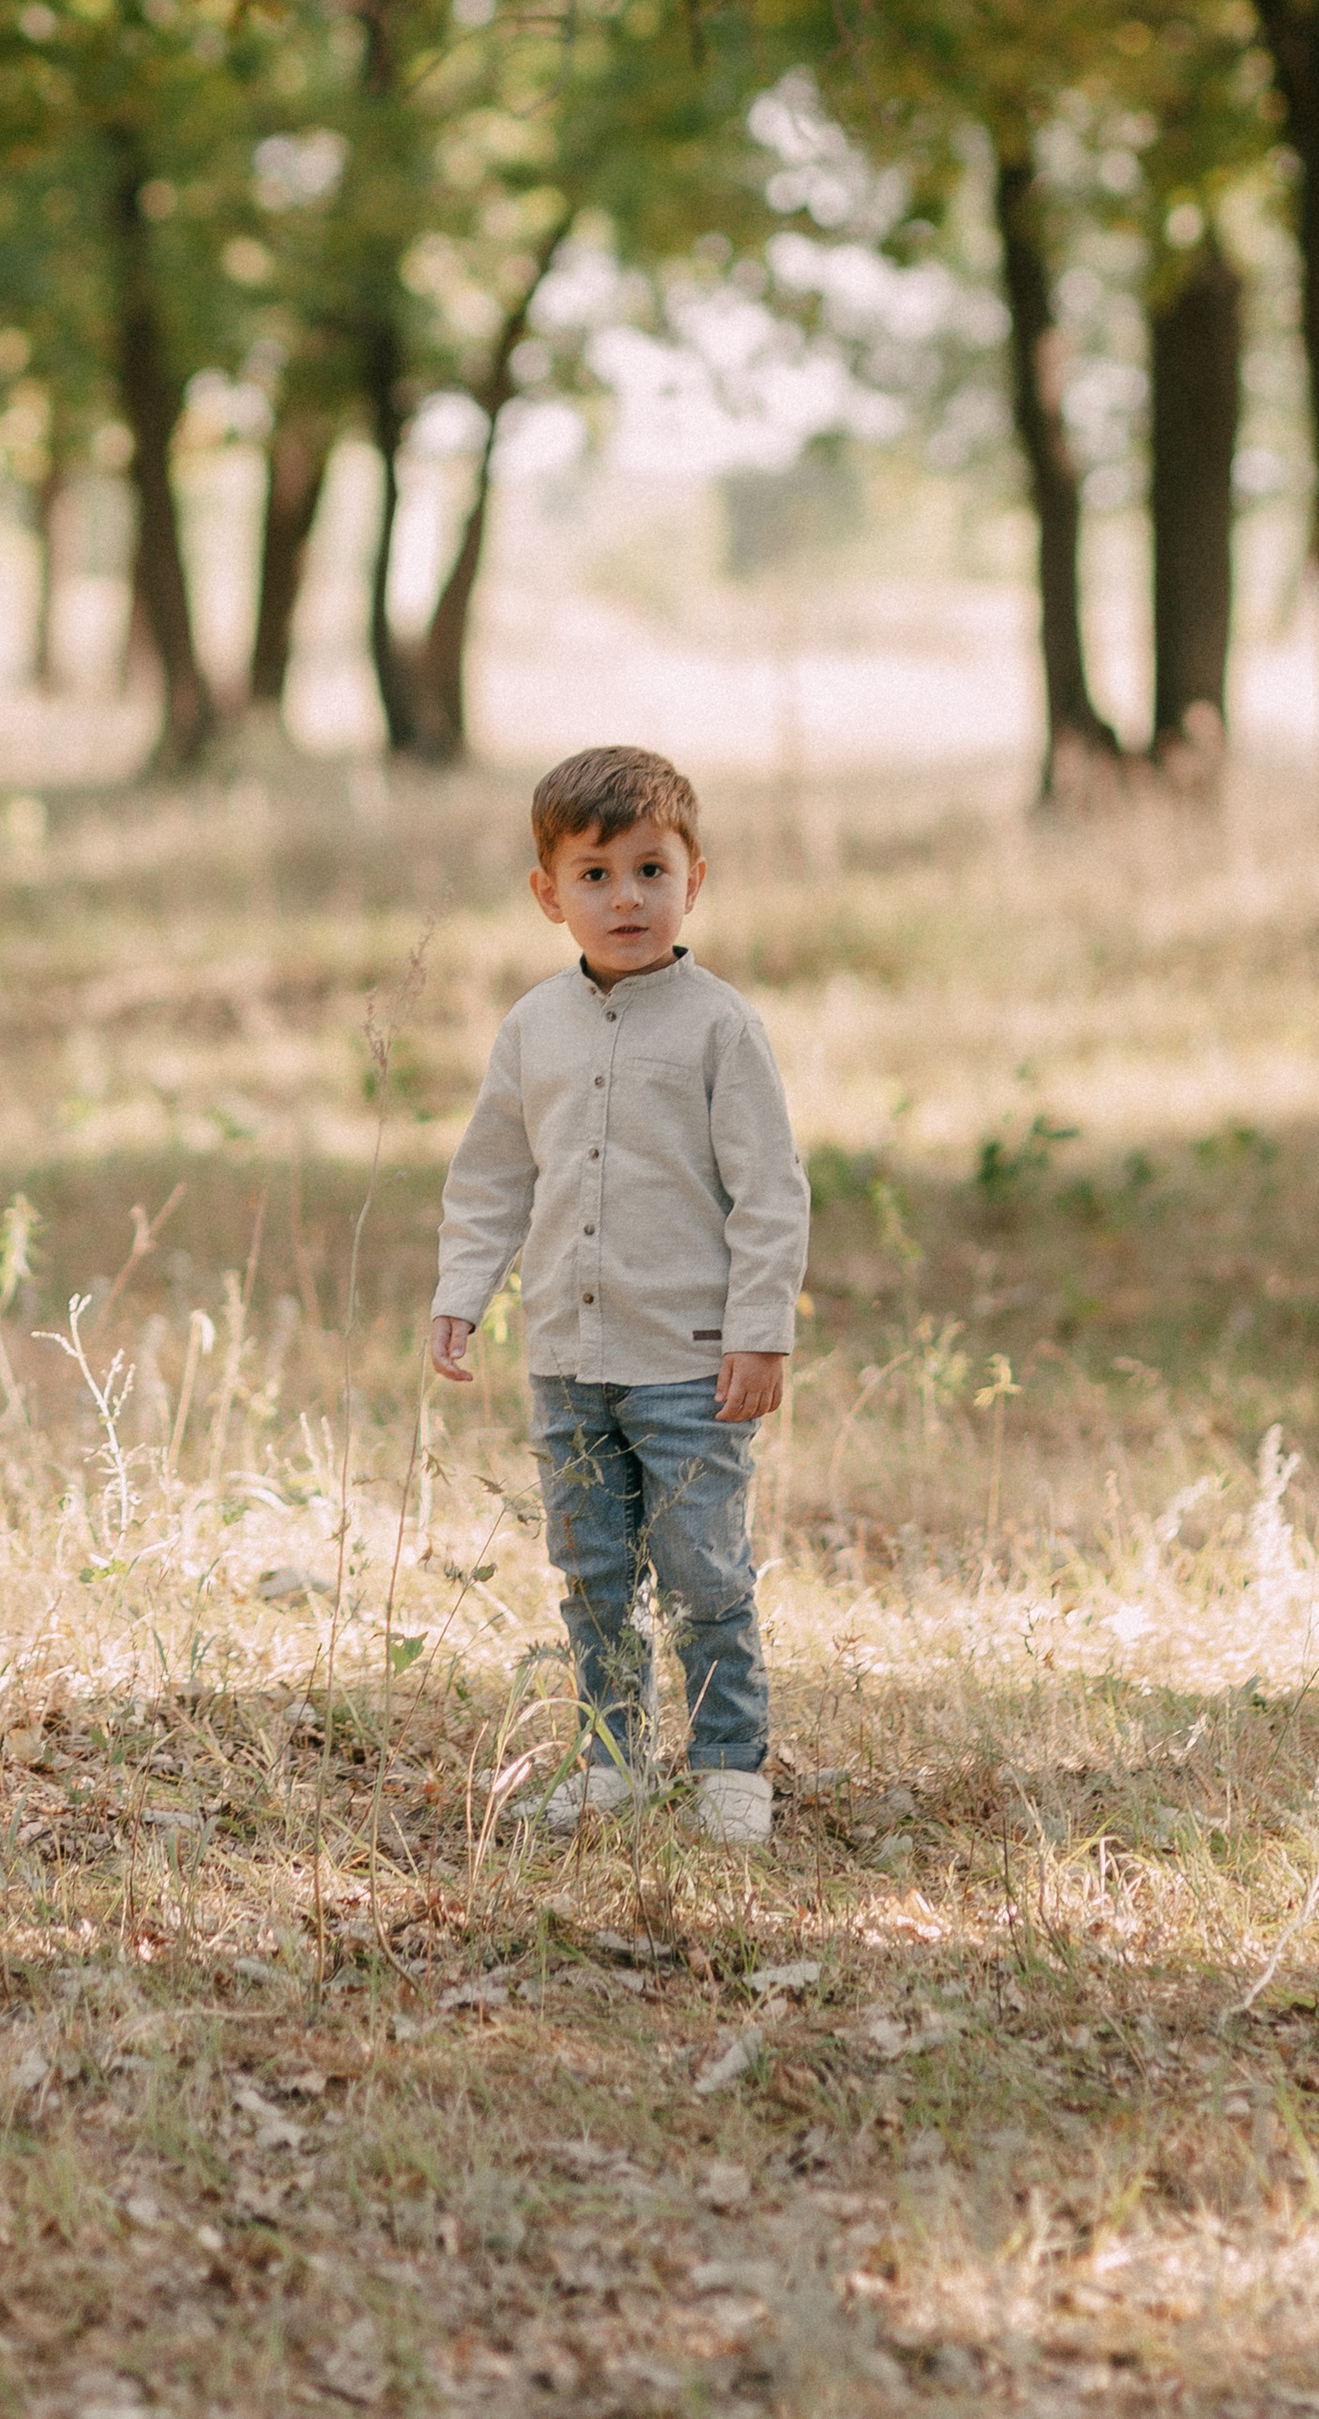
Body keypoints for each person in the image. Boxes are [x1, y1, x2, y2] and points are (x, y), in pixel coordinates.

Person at [426, 744, 809, 1845]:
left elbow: (770, 1192)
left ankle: (730, 1763)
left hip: (689, 1358)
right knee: (592, 1573)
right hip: (566, 1359)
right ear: (549, 895)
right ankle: (610, 1760)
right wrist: (464, 1292)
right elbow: (492, 1176)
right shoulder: (531, 1028)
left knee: (701, 1571)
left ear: (696, 878)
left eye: (650, 869)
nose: (625, 896)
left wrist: (759, 1333)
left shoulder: (718, 1027)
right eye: (594, 875)